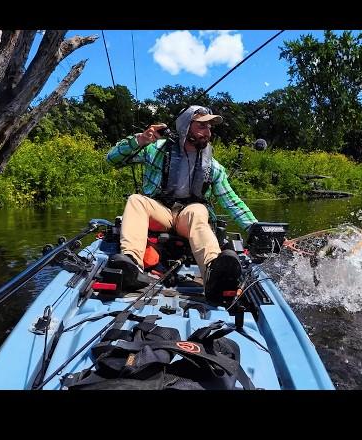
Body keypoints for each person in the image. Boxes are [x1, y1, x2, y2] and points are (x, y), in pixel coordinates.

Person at [106, 105, 258, 302]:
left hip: (188, 216)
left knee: (198, 210)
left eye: (209, 127)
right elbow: (112, 159)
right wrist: (141, 140)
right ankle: (132, 264)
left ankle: (214, 272)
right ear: (186, 127)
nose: (208, 132)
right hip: (160, 212)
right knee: (136, 200)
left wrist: (256, 228)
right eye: (202, 126)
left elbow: (231, 200)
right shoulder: (155, 150)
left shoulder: (213, 167)